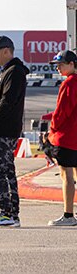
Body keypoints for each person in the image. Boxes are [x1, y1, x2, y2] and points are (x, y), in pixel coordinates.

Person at [0, 35, 29, 227]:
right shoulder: (7, 72)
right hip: (1, 129)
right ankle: (11, 214)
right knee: (6, 171)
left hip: (2, 130)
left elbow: (8, 100)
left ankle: (6, 213)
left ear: (6, 51)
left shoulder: (14, 72)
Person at [46, 50, 77, 226]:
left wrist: (52, 129)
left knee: (66, 175)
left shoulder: (69, 84)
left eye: (61, 64)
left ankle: (68, 215)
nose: (57, 67)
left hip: (67, 137)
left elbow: (61, 113)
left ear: (72, 64)